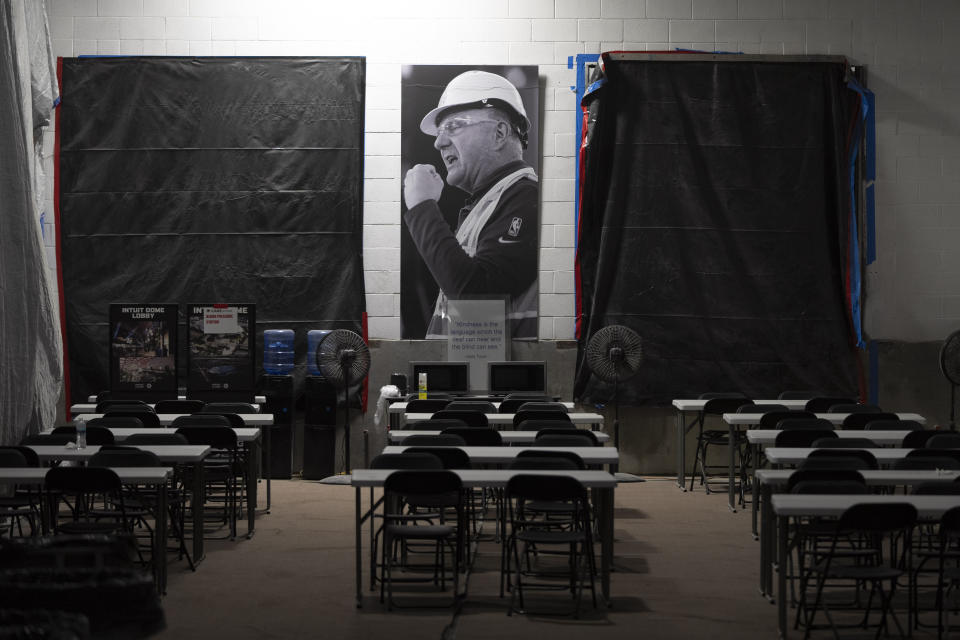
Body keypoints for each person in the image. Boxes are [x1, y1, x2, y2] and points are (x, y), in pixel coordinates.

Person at [403, 70, 538, 340]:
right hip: (474, 374)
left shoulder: (526, 197)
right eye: (440, 132)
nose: (439, 142)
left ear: (499, 133)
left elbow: (476, 299)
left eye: (453, 126)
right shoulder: (491, 202)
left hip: (497, 378)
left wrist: (422, 207)